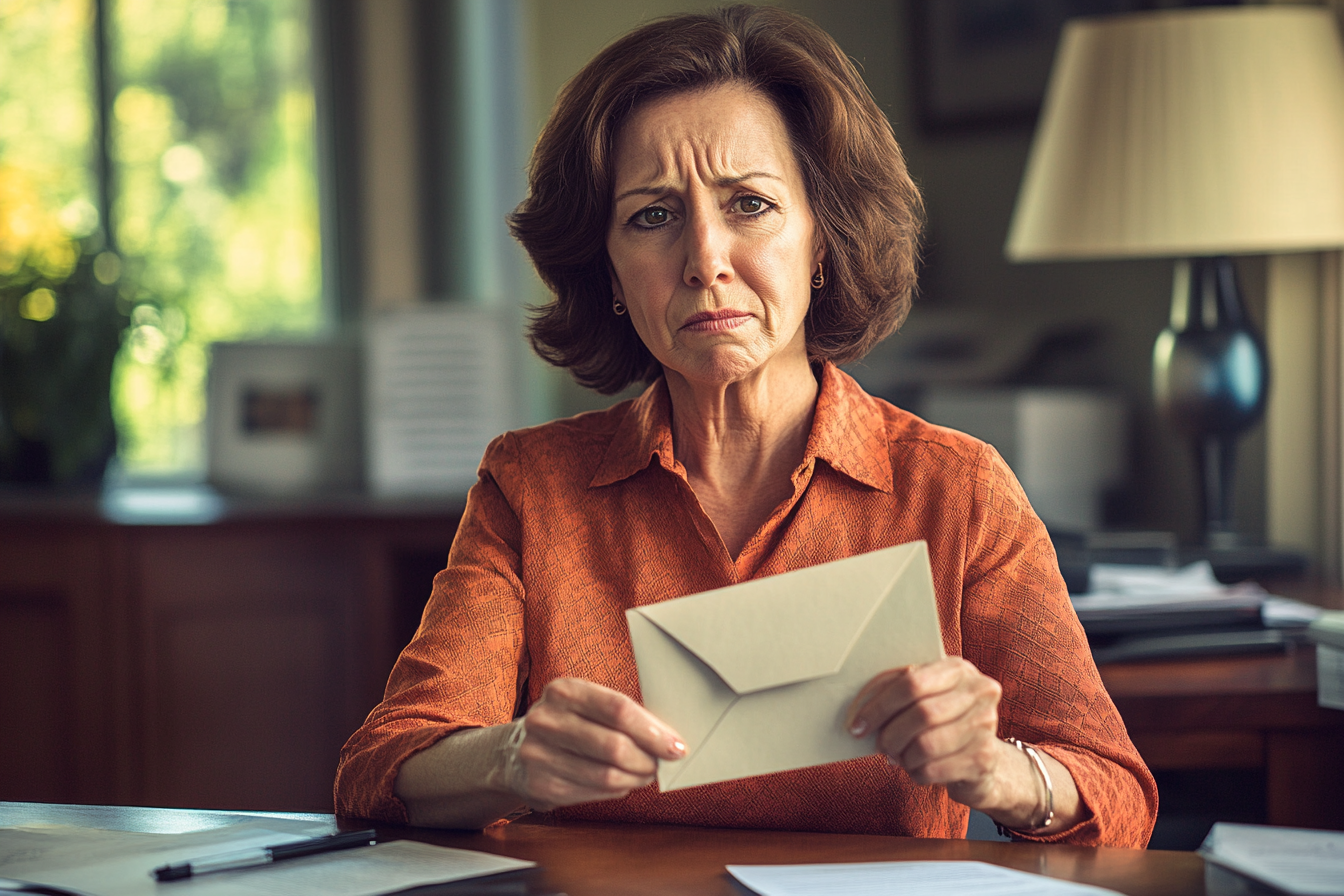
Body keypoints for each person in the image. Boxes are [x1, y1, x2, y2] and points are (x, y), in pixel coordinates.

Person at [335, 5, 1157, 846]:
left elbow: (1116, 794)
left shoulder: (957, 490)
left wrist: (999, 772)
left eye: (750, 205)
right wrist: (510, 759)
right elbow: (379, 767)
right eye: (652, 215)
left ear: (822, 241)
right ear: (610, 271)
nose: (704, 258)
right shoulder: (531, 486)